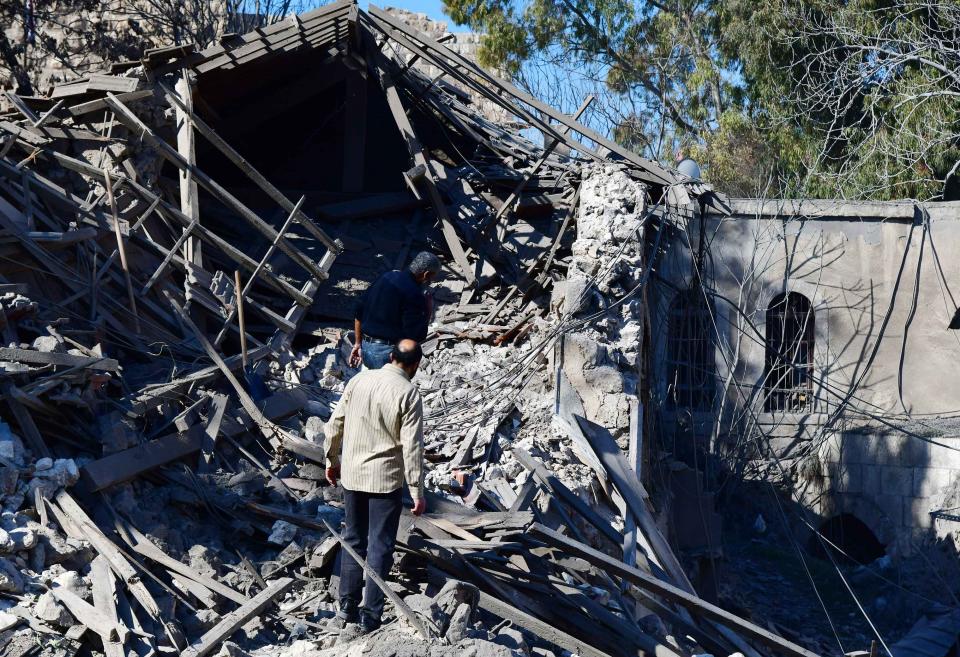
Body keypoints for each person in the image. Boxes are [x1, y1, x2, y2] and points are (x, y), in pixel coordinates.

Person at [324, 339, 427, 634]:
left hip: (353, 476)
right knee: (380, 545)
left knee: (353, 539)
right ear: (414, 365)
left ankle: (346, 608)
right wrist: (417, 491)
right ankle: (370, 616)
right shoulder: (408, 393)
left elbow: (334, 424)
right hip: (384, 480)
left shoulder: (359, 380)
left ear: (391, 356)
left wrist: (331, 460)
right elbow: (412, 447)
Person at [351, 252, 440, 369]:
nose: (430, 282)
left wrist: (357, 343)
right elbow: (416, 336)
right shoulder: (414, 294)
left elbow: (358, 311)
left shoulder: (385, 277)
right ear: (426, 274)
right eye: (431, 278)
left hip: (365, 349)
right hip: (387, 355)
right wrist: (428, 308)